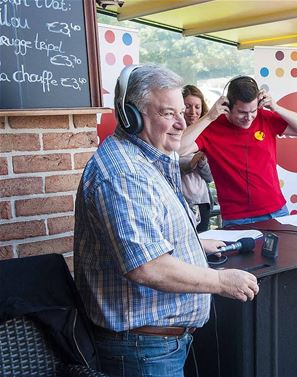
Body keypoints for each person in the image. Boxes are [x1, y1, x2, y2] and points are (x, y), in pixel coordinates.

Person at [73, 64, 259, 377]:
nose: (181, 122)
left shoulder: (147, 158)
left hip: (155, 346)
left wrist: (195, 242)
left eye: (182, 112)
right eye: (167, 113)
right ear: (131, 116)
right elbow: (147, 266)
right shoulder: (124, 173)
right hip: (143, 351)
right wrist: (221, 281)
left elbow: (142, 233)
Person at [179, 76, 297, 227]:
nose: (249, 118)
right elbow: (178, 149)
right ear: (227, 106)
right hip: (237, 217)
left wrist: (276, 107)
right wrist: (209, 116)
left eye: (253, 111)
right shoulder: (211, 127)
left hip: (276, 210)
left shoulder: (264, 117)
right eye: (242, 112)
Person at [179, 85, 214, 232]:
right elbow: (168, 161)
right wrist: (190, 162)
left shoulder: (207, 132)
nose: (193, 112)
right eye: (188, 106)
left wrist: (202, 162)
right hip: (180, 200)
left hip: (201, 201)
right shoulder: (172, 131)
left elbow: (209, 177)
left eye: (197, 107)